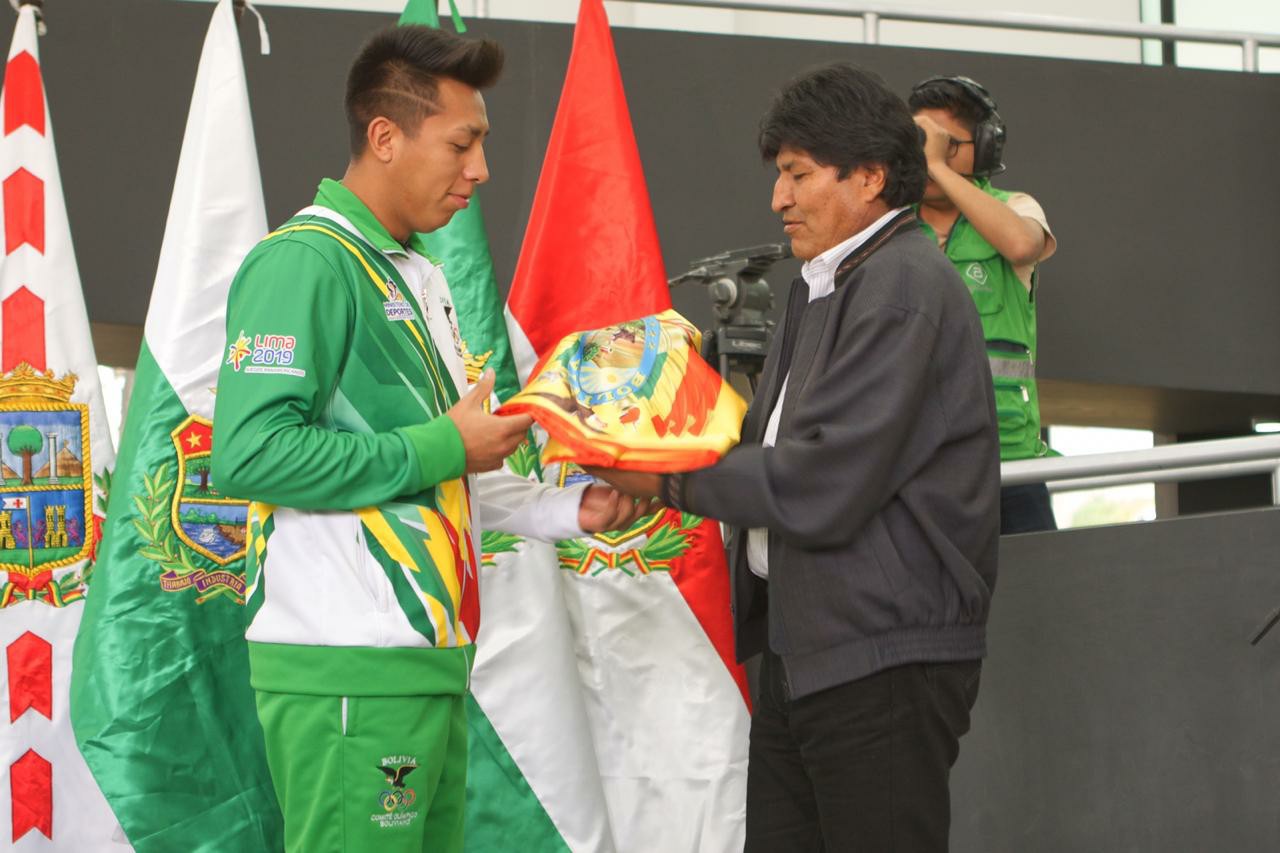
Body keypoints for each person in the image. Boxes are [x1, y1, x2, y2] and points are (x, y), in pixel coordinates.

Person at [210, 26, 652, 853]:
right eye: (462, 143)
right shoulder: (303, 262)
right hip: (346, 662)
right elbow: (250, 452)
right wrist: (443, 445)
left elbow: (447, 460)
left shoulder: (416, 275)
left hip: (423, 660)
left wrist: (567, 510)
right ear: (384, 137)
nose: (480, 170)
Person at [591, 63, 999, 851]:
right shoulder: (827, 284)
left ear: (872, 177)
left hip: (878, 661)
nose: (778, 199)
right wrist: (649, 452)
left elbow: (823, 480)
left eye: (798, 174)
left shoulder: (905, 286)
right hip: (804, 650)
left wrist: (665, 476)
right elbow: (765, 448)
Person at [909, 75, 1059, 534]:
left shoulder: (1015, 206)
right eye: (921, 142)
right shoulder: (890, 223)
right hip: (914, 464)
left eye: (948, 143)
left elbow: (1020, 244)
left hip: (1007, 463)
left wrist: (939, 168)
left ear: (986, 148)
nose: (928, 155)